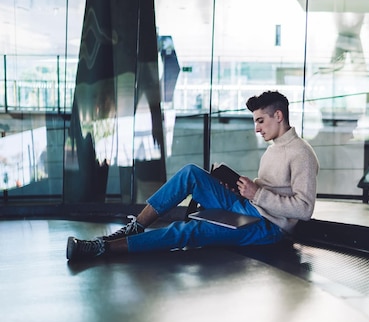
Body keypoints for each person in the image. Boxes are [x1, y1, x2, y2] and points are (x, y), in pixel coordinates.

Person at [66, 90, 319, 260]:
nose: (257, 128)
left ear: (278, 115)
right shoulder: (274, 149)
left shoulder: (301, 153)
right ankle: (135, 227)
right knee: (191, 174)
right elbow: (271, 189)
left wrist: (258, 193)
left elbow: (304, 209)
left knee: (189, 231)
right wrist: (247, 187)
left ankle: (102, 248)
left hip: (269, 227)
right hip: (250, 206)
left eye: (260, 121)